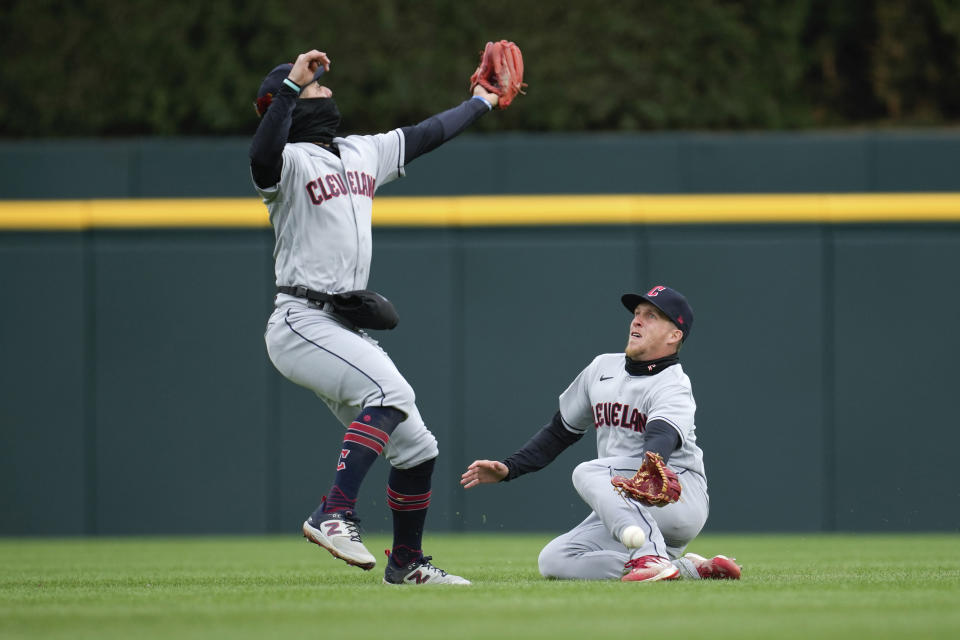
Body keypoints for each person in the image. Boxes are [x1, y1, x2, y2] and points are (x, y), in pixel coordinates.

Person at [251, 48, 504, 586]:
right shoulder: (288, 162)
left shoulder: (361, 152)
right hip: (300, 319)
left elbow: (427, 133)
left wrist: (481, 101)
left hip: (340, 324)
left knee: (417, 448)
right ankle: (332, 512)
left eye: (320, 85)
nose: (325, 91)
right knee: (388, 395)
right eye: (313, 89)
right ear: (287, 103)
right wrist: (291, 86)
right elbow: (261, 156)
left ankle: (406, 562)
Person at [460, 285, 741, 582]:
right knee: (555, 560)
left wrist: (651, 463)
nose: (637, 320)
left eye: (652, 316)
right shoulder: (601, 369)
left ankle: (650, 555)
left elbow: (662, 434)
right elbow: (560, 431)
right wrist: (510, 468)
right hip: (625, 499)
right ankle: (686, 569)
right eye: (636, 314)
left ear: (674, 335)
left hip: (675, 496)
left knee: (587, 472)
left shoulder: (672, 383)